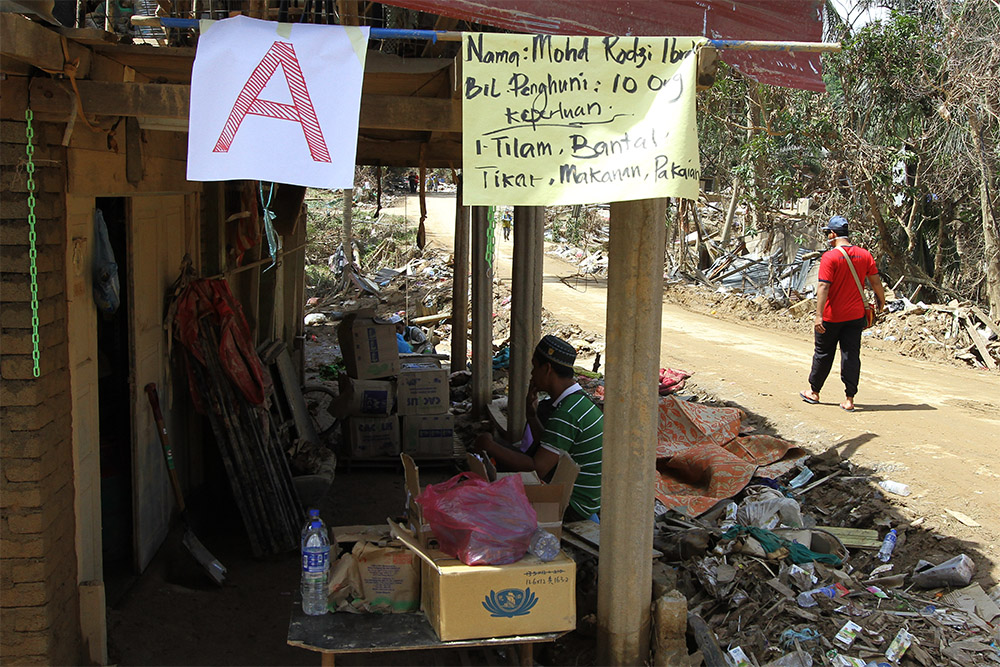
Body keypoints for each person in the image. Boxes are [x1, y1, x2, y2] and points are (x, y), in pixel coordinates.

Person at [472, 336, 602, 520]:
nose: (532, 374)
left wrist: (490, 446)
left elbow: (538, 468)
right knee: (506, 453)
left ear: (547, 369)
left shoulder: (567, 413)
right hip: (581, 496)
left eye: (535, 367)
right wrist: (532, 416)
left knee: (492, 482)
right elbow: (550, 448)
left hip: (573, 505)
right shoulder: (578, 402)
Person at [800, 215, 886, 412]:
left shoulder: (830, 257)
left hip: (831, 317)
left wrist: (818, 315)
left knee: (823, 353)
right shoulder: (864, 255)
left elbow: (823, 286)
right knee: (851, 355)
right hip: (855, 316)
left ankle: (814, 392)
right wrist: (882, 301)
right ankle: (849, 399)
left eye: (828, 233)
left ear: (832, 234)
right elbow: (875, 282)